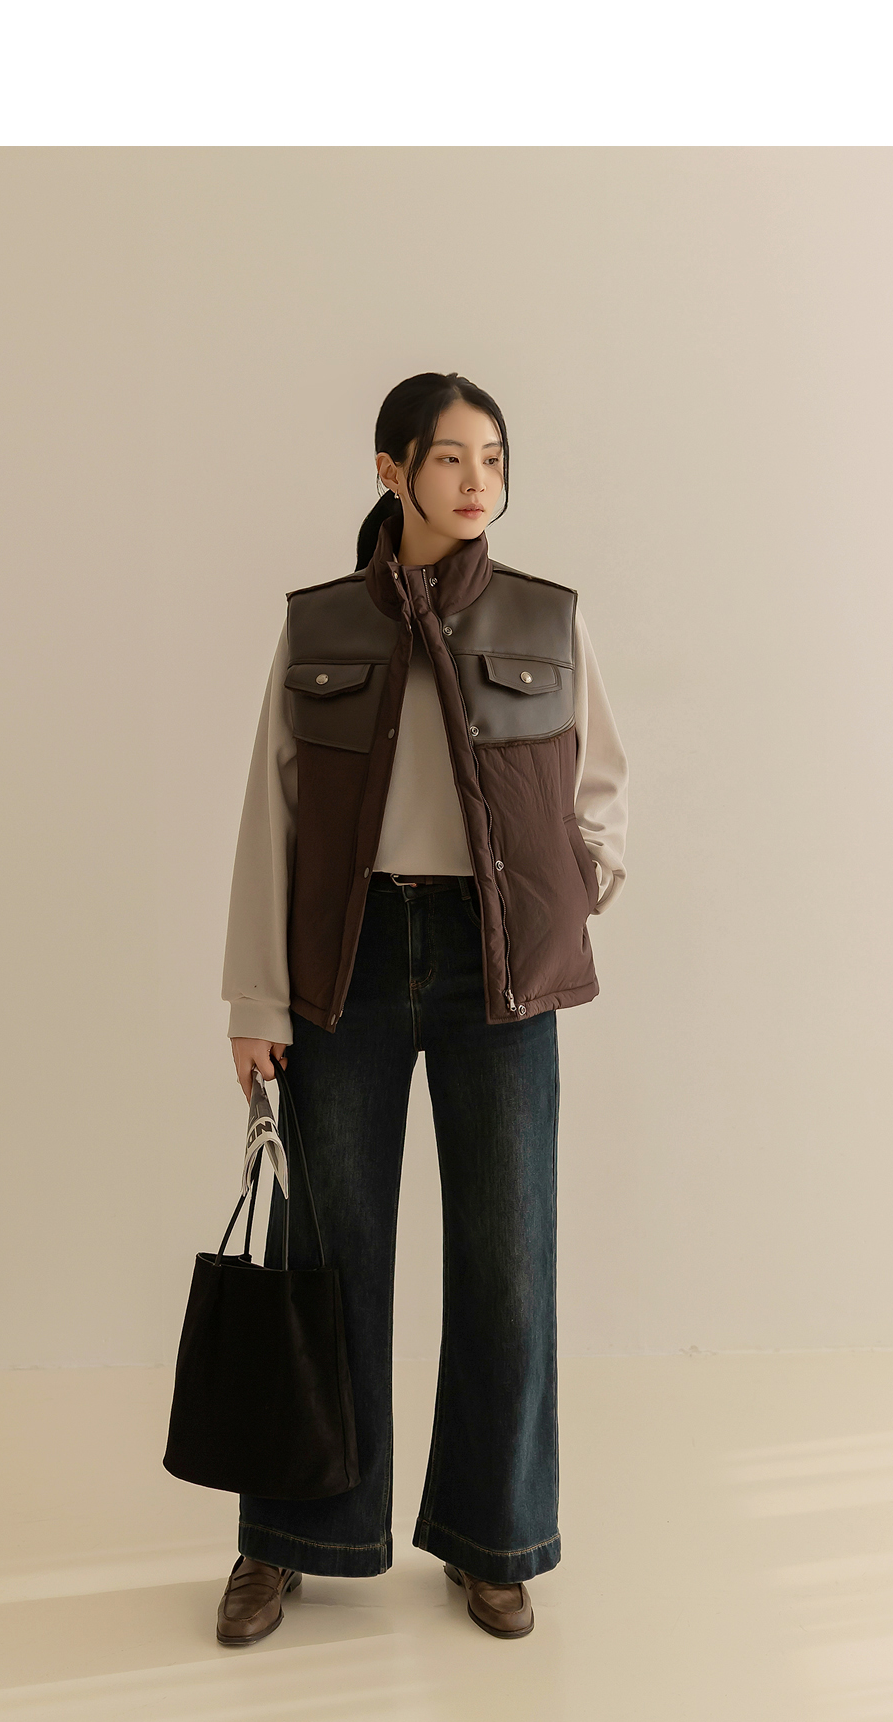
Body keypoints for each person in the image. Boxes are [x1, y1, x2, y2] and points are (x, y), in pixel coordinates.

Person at [216, 367, 628, 1652]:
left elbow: (600, 790)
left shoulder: (547, 617)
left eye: (492, 458)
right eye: (450, 458)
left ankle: (492, 1540)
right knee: (325, 1259)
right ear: (392, 469)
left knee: (509, 1263)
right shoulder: (322, 626)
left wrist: (573, 889)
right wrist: (254, 995)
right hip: (345, 963)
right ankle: (293, 1539)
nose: (475, 481)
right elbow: (272, 813)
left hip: (493, 969)